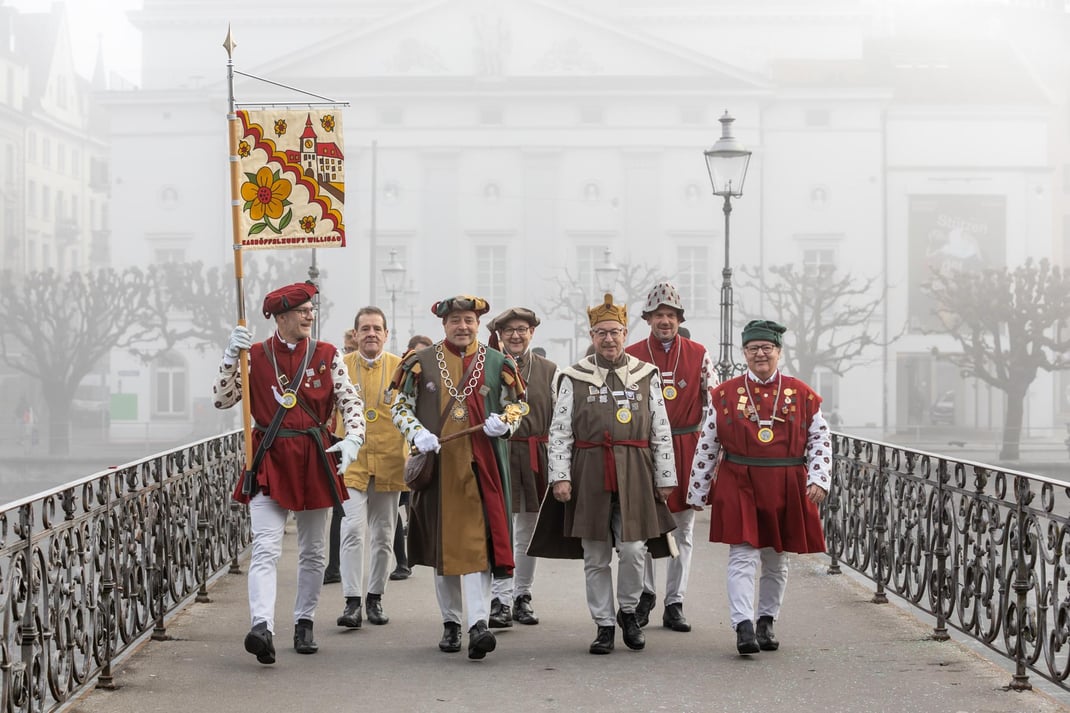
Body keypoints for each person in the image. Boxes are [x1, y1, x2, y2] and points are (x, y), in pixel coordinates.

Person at [213, 282, 365, 665]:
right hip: (269, 457)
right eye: (302, 311)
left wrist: (354, 440)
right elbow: (222, 398)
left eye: (311, 309)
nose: (309, 315)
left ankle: (304, 621)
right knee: (265, 547)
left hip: (314, 456)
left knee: (313, 551)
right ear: (281, 317)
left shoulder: (328, 354)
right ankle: (261, 626)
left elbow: (350, 402)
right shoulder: (256, 355)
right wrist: (231, 356)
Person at [529, 293, 677, 655]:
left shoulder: (645, 375)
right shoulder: (573, 377)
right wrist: (560, 476)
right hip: (589, 472)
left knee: (632, 549)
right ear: (592, 336)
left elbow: (660, 427)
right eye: (601, 333)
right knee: (595, 555)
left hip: (636, 472)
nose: (608, 339)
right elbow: (560, 430)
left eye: (615, 332)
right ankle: (604, 624)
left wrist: (665, 476)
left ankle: (628, 611)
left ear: (625, 333)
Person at [389, 296, 523, 660]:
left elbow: (518, 404)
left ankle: (478, 624)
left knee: (477, 547)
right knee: (444, 548)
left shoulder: (498, 362)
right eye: (455, 321)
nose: (462, 326)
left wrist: (506, 421)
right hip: (439, 469)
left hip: (483, 468)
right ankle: (451, 622)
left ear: (479, 323)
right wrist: (415, 432)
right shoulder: (419, 362)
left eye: (468, 320)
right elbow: (397, 404)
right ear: (444, 325)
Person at [686, 319, 831, 655]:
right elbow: (708, 444)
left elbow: (820, 440)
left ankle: (766, 621)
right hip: (740, 481)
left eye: (767, 348)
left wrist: (819, 478)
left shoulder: (802, 394)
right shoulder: (724, 395)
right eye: (753, 349)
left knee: (776, 559)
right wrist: (698, 490)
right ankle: (743, 626)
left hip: (786, 482)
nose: (760, 354)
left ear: (779, 352)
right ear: (744, 353)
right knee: (743, 555)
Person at [625, 281, 715, 633]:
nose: (665, 321)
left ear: (679, 318)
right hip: (644, 451)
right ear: (648, 318)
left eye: (671, 315)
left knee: (683, 531)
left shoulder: (698, 353)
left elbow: (714, 403)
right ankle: (646, 593)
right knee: (646, 527)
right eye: (659, 315)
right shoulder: (632, 354)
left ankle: (674, 601)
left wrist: (712, 453)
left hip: (686, 447)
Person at [334, 307, 409, 630]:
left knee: (384, 534)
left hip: (391, 460)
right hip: (353, 462)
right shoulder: (341, 365)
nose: (371, 334)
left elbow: (412, 409)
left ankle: (375, 596)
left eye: (377, 328)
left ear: (386, 334)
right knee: (352, 529)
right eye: (364, 328)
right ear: (355, 334)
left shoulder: (400, 368)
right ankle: (352, 600)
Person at [486, 307, 556, 627]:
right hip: (498, 453)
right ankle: (498, 598)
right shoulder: (487, 366)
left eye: (522, 329)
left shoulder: (549, 370)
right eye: (510, 330)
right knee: (498, 528)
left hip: (534, 454)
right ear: (500, 335)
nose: (516, 335)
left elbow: (559, 420)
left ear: (532, 333)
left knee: (528, 530)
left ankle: (521, 596)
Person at [389, 333, 435, 582]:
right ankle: (405, 559)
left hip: (417, 456)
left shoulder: (433, 372)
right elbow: (400, 408)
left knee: (411, 507)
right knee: (396, 512)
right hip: (398, 452)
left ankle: (405, 561)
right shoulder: (405, 370)